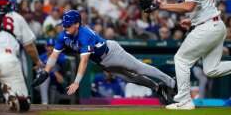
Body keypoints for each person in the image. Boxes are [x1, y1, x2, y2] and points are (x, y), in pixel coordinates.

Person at [32, 10, 177, 104]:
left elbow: (83, 61)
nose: (65, 27)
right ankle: (158, 88)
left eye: (68, 24)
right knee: (131, 78)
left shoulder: (85, 34)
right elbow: (54, 55)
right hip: (103, 62)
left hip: (112, 53)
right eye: (64, 25)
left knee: (139, 68)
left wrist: (76, 82)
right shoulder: (63, 35)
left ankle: (171, 83)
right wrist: (46, 71)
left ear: (77, 24)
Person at [155, 0, 231, 110]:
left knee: (181, 59)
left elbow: (189, 6)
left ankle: (184, 101)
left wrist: (163, 5)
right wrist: (193, 21)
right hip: (215, 24)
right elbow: (204, 4)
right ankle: (185, 100)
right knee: (211, 69)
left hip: (208, 27)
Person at [37, 38, 67, 104]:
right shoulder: (41, 57)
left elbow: (65, 60)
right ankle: (44, 102)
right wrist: (54, 73)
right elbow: (40, 71)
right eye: (49, 46)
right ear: (45, 47)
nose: (50, 48)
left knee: (54, 99)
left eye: (52, 46)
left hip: (55, 83)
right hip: (39, 84)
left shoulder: (60, 55)